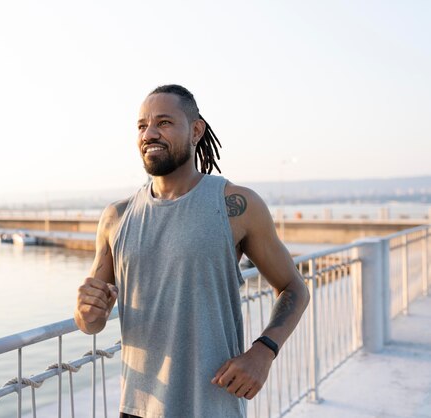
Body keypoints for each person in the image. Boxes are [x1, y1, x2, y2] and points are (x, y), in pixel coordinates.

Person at [74, 84, 310, 418]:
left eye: (164, 123)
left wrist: (263, 353)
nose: (150, 133)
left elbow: (294, 288)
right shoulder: (117, 217)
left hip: (213, 406)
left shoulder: (236, 205)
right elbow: (91, 323)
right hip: (137, 406)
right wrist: (86, 311)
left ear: (196, 129)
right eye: (142, 126)